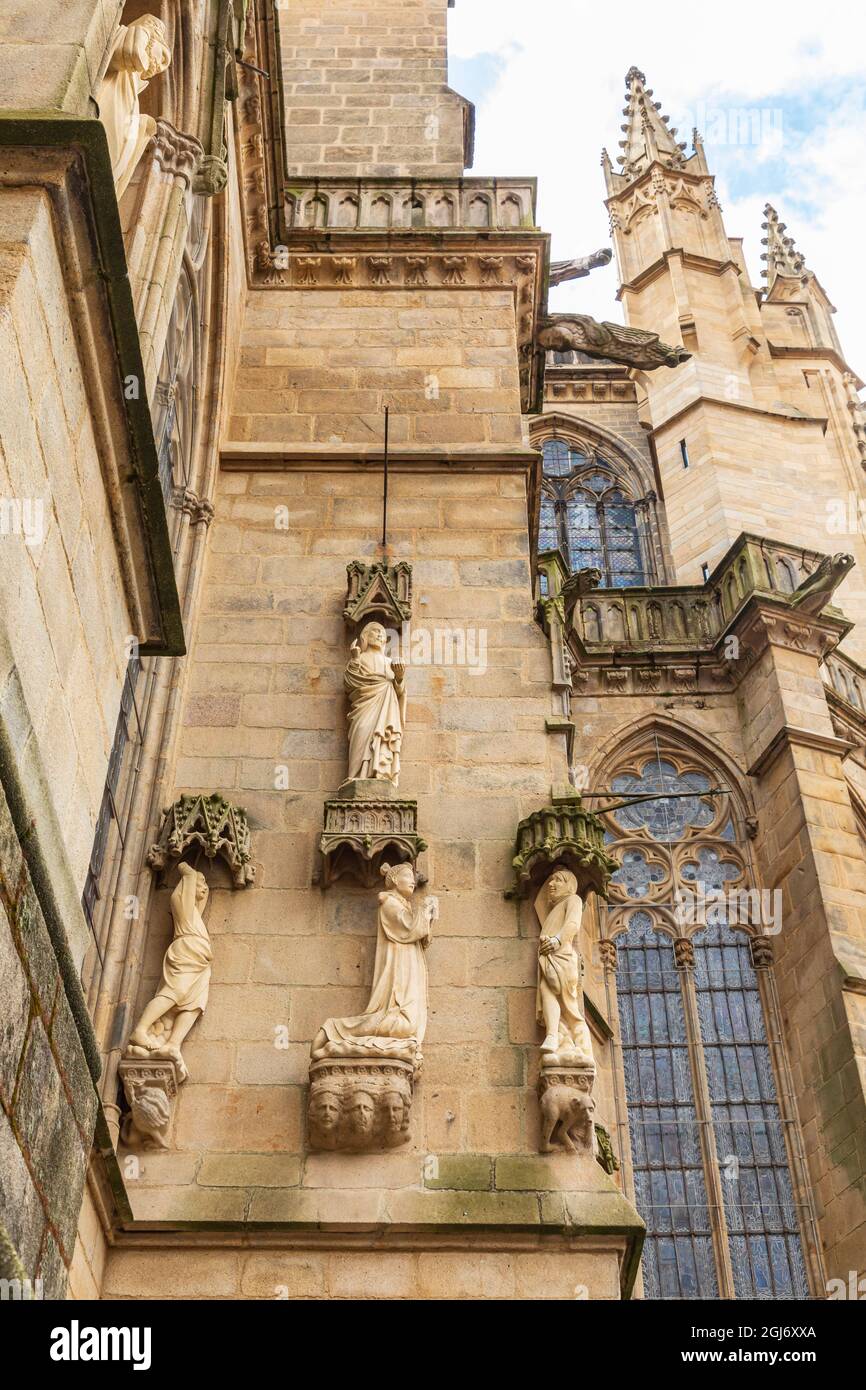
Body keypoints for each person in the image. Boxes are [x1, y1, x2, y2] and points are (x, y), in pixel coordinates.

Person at [311, 863, 435, 1069]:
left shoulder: (403, 906)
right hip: (398, 978)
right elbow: (409, 929)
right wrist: (424, 910)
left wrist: (428, 915)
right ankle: (335, 1028)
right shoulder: (389, 903)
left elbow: (421, 936)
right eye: (407, 875)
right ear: (394, 880)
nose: (413, 880)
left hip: (407, 973)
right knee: (404, 1026)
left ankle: (340, 1032)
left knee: (407, 1026)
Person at [126, 862, 212, 1081]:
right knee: (174, 992)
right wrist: (186, 868)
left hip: (200, 961)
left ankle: (173, 1043)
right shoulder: (181, 904)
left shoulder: (194, 913)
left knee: (195, 1003)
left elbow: (201, 896)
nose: (204, 890)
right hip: (185, 953)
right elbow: (189, 875)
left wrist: (201, 890)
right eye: (201, 885)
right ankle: (141, 1030)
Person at [535, 868, 594, 1064]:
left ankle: (582, 1046)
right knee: (547, 990)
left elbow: (572, 925)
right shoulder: (553, 909)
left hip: (563, 955)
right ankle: (554, 1035)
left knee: (569, 1005)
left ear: (569, 886)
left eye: (557, 881)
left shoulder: (573, 900)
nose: (551, 885)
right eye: (550, 881)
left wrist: (556, 941)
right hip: (549, 955)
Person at [344, 622, 406, 785]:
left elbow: (398, 692)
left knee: (383, 737)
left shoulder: (389, 662)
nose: (380, 635)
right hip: (364, 707)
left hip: (386, 710)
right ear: (365, 636)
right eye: (376, 631)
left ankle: (381, 773)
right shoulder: (360, 658)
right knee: (362, 730)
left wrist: (399, 678)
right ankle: (356, 775)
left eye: (383, 634)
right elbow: (350, 683)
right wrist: (355, 659)